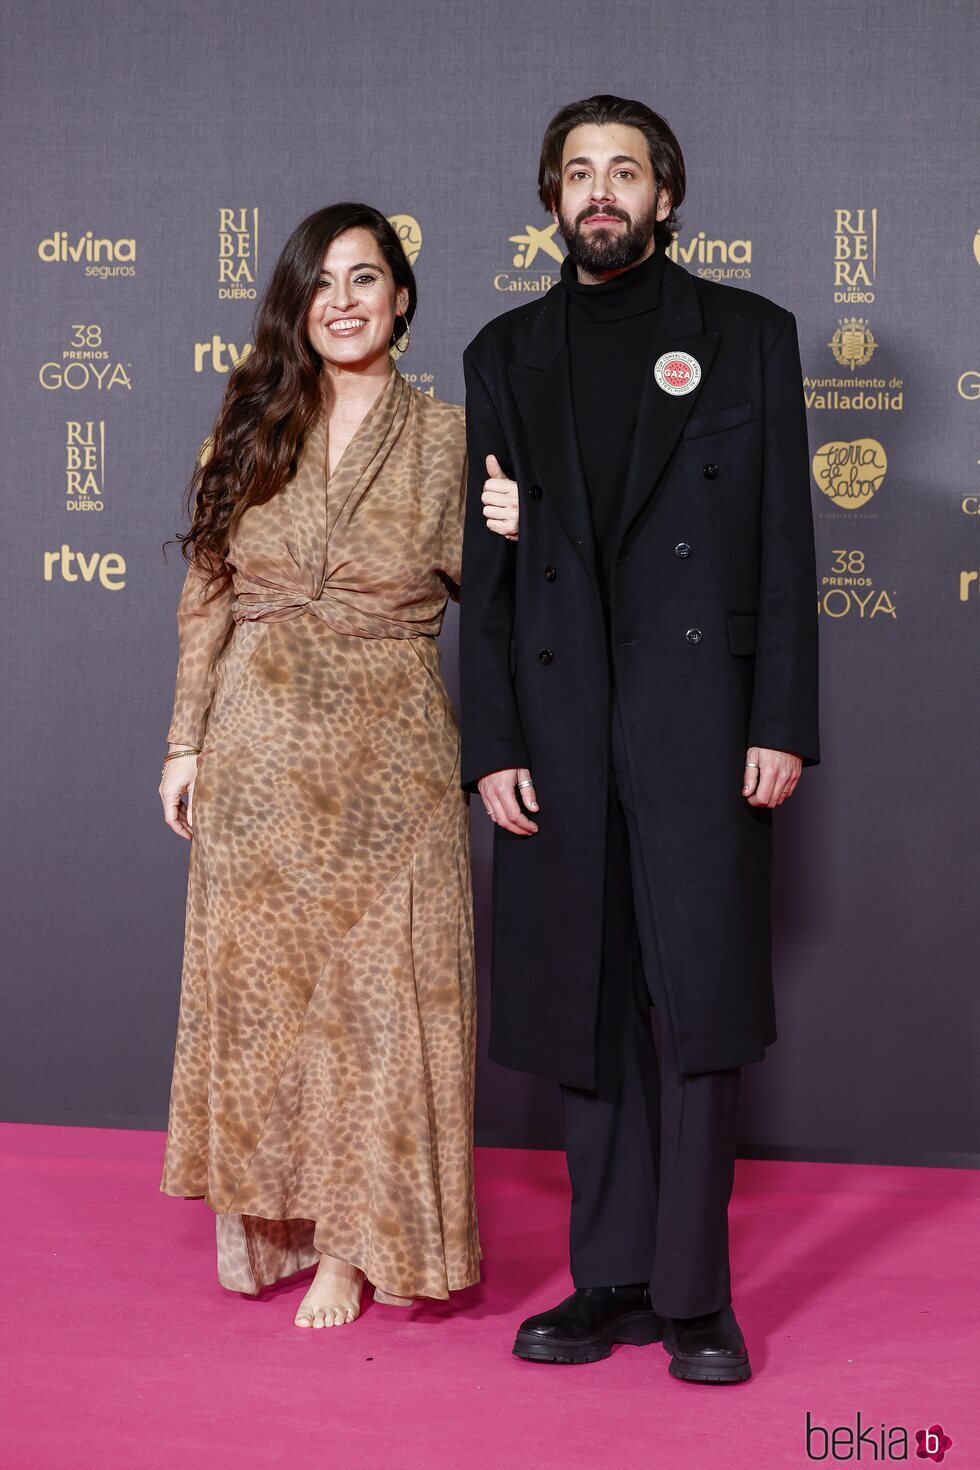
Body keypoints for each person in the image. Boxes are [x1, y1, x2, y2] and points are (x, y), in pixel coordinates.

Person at [459, 95, 819, 1383]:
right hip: (556, 728)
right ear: (549, 200)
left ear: (666, 197)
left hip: (700, 723)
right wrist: (490, 739)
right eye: (576, 172)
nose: (598, 191)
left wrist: (779, 720)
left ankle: (693, 1294)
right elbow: (487, 571)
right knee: (583, 1002)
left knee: (696, 1005)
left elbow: (786, 546)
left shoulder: (746, 337)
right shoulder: (503, 350)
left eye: (623, 171)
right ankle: (605, 1279)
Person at [158, 203, 480, 1328]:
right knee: (266, 1007)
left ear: (401, 296)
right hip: (260, 753)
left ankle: (354, 1242)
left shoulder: (450, 435)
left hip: (392, 758)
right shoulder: (254, 423)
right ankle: (276, 1227)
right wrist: (185, 740)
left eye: (365, 277)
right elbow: (209, 592)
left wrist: (527, 525)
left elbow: (502, 596)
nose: (342, 300)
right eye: (321, 282)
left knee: (381, 1005)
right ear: (296, 304)